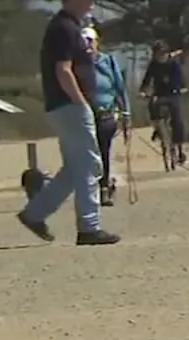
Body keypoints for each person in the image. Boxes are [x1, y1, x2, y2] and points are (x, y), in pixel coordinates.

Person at [17, 0, 119, 246]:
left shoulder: (71, 27)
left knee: (74, 169)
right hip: (70, 106)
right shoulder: (63, 28)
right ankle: (89, 227)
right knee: (89, 165)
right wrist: (81, 102)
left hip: (66, 106)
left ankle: (35, 213)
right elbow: (63, 70)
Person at [83, 26, 130, 207]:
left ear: (97, 42)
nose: (87, 45)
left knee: (102, 150)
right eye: (83, 41)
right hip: (84, 114)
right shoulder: (76, 64)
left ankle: (104, 187)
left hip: (106, 114)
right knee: (88, 153)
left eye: (90, 41)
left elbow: (119, 89)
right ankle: (92, 186)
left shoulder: (108, 62)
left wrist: (126, 113)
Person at [139, 41, 188, 165]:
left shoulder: (173, 64)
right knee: (152, 105)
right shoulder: (153, 65)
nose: (159, 56)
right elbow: (147, 79)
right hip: (159, 94)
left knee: (178, 120)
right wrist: (143, 91)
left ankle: (180, 149)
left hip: (173, 93)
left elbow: (180, 78)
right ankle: (158, 128)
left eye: (162, 53)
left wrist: (182, 88)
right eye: (157, 53)